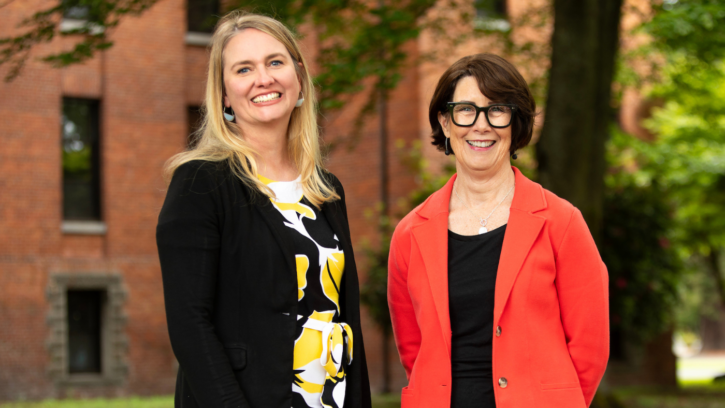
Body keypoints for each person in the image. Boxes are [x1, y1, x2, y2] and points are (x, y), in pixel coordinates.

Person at [157, 11, 370, 408]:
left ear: (299, 76)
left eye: (275, 62)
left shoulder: (326, 189)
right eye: (243, 69)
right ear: (223, 94)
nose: (264, 78)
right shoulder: (200, 183)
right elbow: (190, 327)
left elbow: (345, 320)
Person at [387, 54, 609, 408]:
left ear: (515, 122)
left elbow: (590, 345)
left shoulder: (562, 222)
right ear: (445, 123)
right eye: (465, 110)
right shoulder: (410, 233)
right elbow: (413, 348)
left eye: (497, 110)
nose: (481, 125)